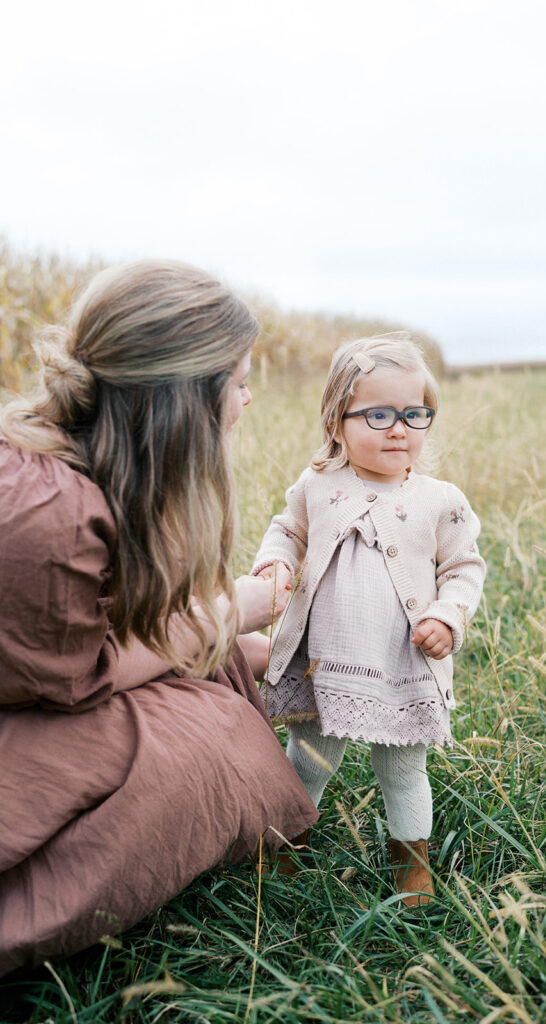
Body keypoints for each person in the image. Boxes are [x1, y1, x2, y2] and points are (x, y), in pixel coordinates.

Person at [0, 260, 318, 977]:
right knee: (208, 739)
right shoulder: (42, 511)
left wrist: (249, 648)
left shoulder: (87, 472)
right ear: (182, 402)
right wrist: (234, 610)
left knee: (223, 682)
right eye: (238, 382)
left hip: (42, 691)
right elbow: (82, 675)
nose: (249, 399)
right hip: (35, 711)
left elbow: (110, 629)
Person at [252, 335, 486, 905]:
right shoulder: (319, 486)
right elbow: (288, 530)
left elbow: (464, 568)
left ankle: (412, 864)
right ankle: (287, 845)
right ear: (337, 421)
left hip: (402, 659)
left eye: (414, 414)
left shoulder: (440, 499)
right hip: (326, 658)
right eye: (378, 415)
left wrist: (446, 616)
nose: (399, 429)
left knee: (403, 769)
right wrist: (275, 564)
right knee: (308, 760)